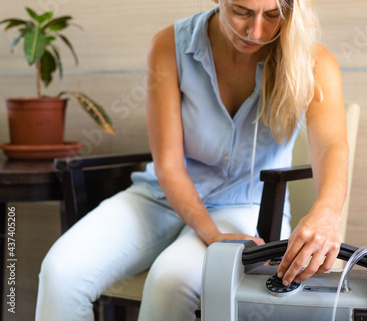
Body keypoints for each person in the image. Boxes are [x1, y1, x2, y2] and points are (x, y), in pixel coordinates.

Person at [35, 0, 348, 320]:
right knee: (61, 272)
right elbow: (168, 164)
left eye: (272, 15)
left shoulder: (314, 62)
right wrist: (213, 237)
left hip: (244, 206)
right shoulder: (169, 46)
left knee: (171, 282)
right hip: (160, 196)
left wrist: (327, 212)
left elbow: (332, 146)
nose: (256, 32)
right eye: (241, 11)